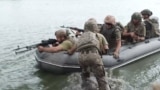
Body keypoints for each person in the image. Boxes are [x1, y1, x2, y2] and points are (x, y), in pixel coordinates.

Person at [68, 18, 110, 90]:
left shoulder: (81, 37)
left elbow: (71, 51)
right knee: (101, 79)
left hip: (81, 58)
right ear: (95, 27)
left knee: (85, 77)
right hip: (93, 56)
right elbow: (106, 48)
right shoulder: (99, 35)